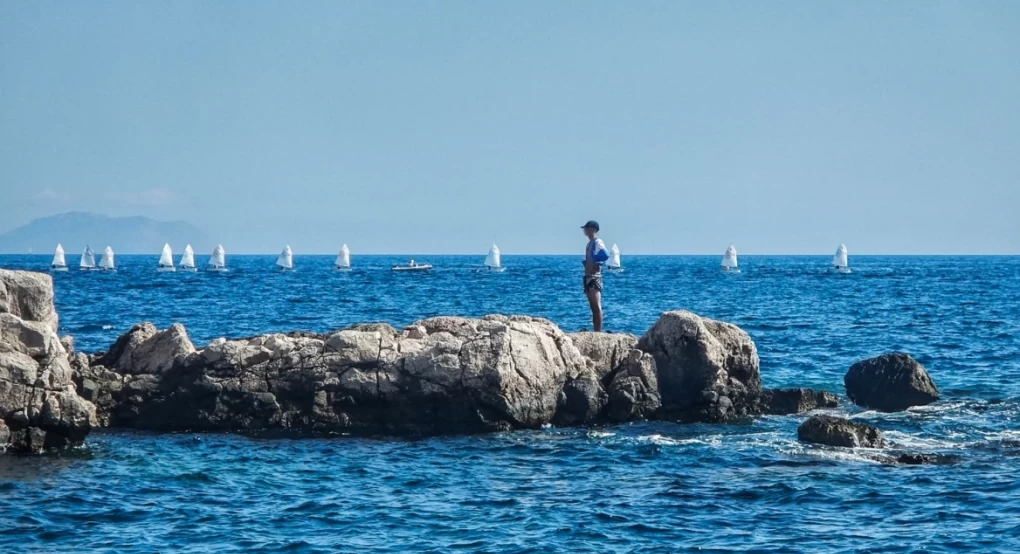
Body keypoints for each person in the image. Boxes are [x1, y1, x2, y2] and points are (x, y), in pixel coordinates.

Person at [581, 220, 609, 332]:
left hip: (594, 277)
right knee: (593, 307)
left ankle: (598, 331)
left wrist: (596, 262)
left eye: (586, 228)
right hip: (588, 276)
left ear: (592, 229)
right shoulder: (589, 243)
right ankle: (595, 329)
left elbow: (605, 254)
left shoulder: (598, 242)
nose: (584, 230)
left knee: (597, 306)